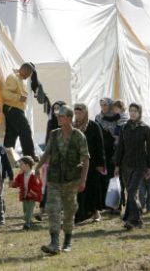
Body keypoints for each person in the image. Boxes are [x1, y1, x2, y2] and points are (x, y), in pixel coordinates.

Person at [35, 105, 90, 254]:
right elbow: (46, 153)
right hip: (54, 179)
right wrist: (37, 168)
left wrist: (83, 180)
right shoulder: (54, 134)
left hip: (72, 180)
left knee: (69, 210)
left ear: (69, 118)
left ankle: (67, 241)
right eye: (57, 116)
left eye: (61, 116)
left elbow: (85, 159)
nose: (58, 118)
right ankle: (54, 243)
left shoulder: (79, 136)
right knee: (53, 209)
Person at [114, 103, 150, 230]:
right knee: (130, 193)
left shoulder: (145, 128)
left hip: (140, 165)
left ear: (140, 112)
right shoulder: (125, 128)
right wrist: (117, 165)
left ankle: (137, 221)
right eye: (131, 111)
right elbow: (120, 147)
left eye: (135, 111)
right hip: (126, 165)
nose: (132, 113)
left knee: (131, 192)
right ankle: (131, 220)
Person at [73, 103, 106, 224]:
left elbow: (100, 145)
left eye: (80, 113)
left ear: (85, 113)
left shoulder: (93, 126)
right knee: (79, 189)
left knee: (92, 188)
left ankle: (95, 212)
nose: (78, 115)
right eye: (76, 113)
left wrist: (100, 163)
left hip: (92, 163)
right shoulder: (73, 126)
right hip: (77, 163)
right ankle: (80, 213)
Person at [37, 101, 66, 222]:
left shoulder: (68, 123)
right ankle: (42, 209)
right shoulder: (51, 122)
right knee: (48, 184)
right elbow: (47, 140)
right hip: (52, 157)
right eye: (54, 108)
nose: (56, 111)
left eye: (59, 108)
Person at [2, 63, 37, 160]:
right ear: (24, 70)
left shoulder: (20, 80)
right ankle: (29, 156)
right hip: (12, 109)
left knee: (11, 134)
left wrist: (22, 97)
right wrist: (18, 97)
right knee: (25, 130)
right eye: (29, 73)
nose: (29, 76)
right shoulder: (13, 78)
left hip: (15, 109)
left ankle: (7, 158)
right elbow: (5, 93)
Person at [10, 156, 43, 229]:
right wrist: (13, 184)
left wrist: (31, 192)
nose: (20, 166)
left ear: (27, 165)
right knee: (25, 209)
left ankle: (27, 223)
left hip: (32, 196)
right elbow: (17, 182)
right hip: (24, 195)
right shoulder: (21, 175)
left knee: (29, 209)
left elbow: (38, 185)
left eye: (21, 164)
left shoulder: (34, 174)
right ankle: (29, 221)